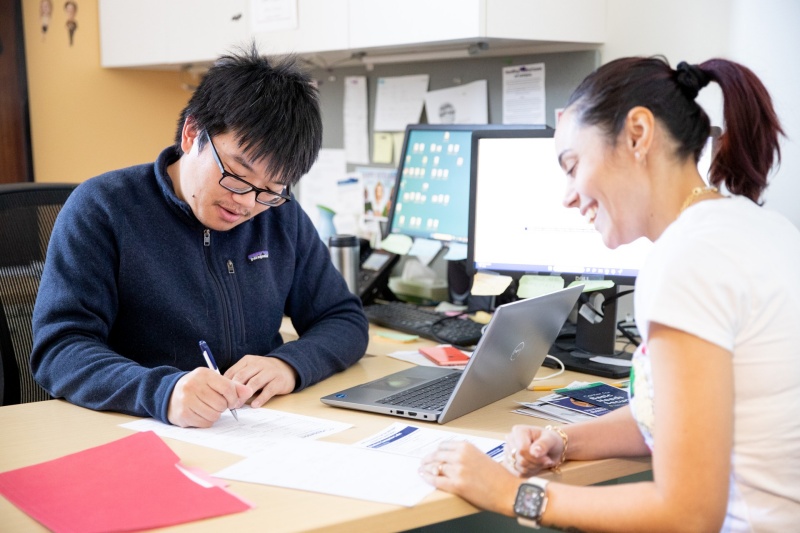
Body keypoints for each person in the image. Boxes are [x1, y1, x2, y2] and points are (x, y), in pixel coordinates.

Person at [420, 56, 800, 531]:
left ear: (638, 134)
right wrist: (565, 439)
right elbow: (691, 425)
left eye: (572, 165)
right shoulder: (759, 227)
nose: (567, 195)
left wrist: (510, 493)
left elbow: (688, 513)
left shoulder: (687, 260)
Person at [31, 44, 369, 429]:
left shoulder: (280, 216)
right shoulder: (103, 208)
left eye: (270, 189)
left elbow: (343, 318)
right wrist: (163, 392)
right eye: (238, 176)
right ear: (193, 134)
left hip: (254, 431)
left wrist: (290, 364)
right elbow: (60, 350)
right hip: (135, 431)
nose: (246, 203)